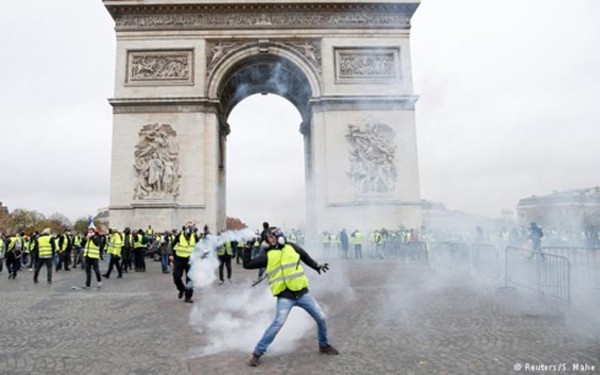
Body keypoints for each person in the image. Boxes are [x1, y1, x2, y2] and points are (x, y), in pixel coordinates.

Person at [242, 227, 339, 367]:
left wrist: (317, 266)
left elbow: (305, 257)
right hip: (285, 296)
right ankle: (256, 353)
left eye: (274, 235)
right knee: (277, 324)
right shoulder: (268, 255)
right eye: (270, 237)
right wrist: (247, 246)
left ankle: (323, 345)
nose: (273, 238)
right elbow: (247, 264)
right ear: (267, 240)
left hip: (302, 293)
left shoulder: (292, 247)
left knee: (321, 318)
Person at [169, 223, 200, 303]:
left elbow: (199, 247)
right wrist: (171, 254)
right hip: (179, 259)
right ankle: (181, 289)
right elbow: (171, 245)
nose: (189, 228)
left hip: (190, 260)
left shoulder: (195, 236)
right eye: (188, 226)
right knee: (176, 277)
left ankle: (188, 296)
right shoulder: (179, 235)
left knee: (190, 279)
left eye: (190, 226)